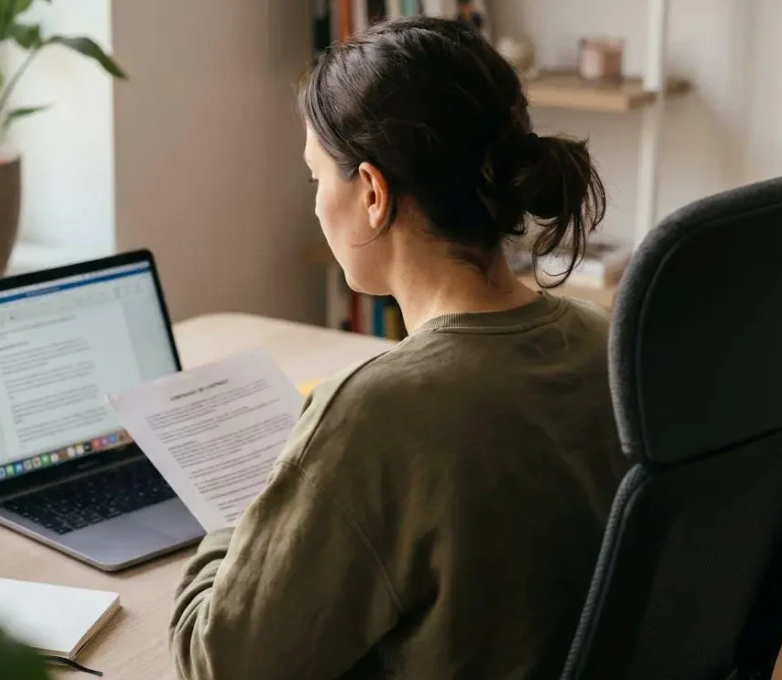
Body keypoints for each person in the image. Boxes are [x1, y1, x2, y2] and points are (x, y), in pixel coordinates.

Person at [169, 16, 628, 680]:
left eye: (316, 181)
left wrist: (247, 503)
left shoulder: (378, 415)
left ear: (374, 195)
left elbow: (214, 662)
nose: (317, 205)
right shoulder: (601, 345)